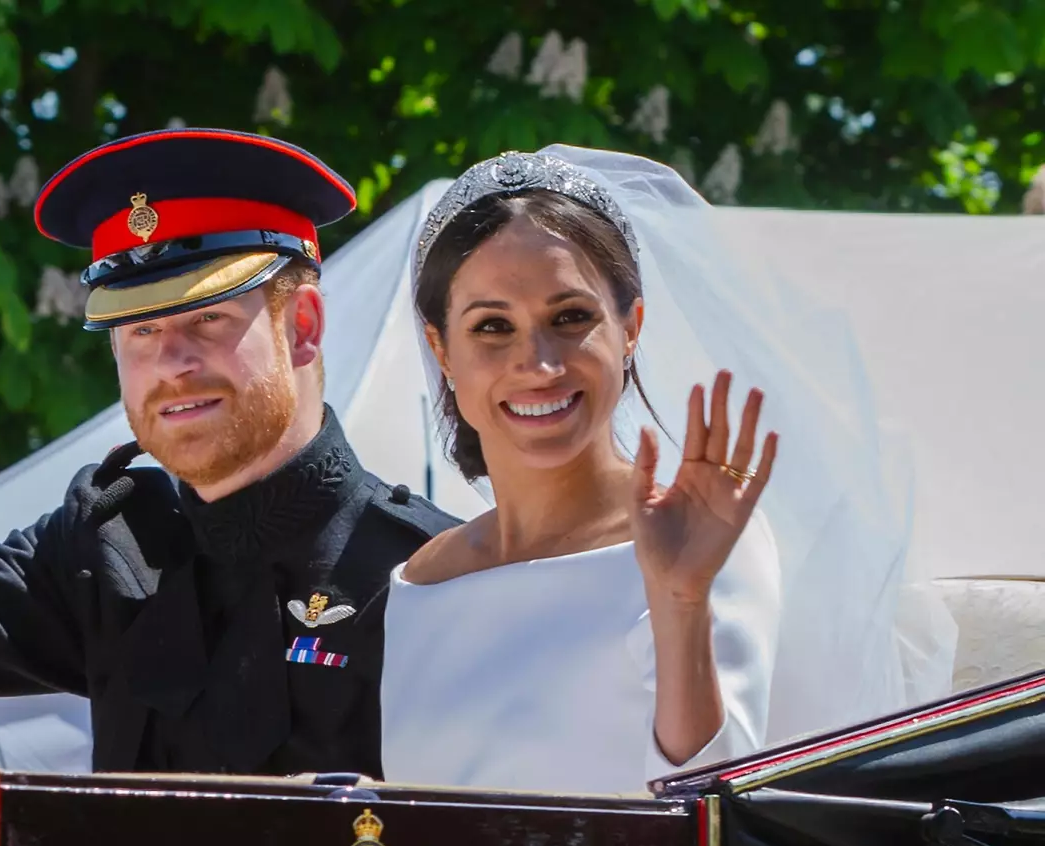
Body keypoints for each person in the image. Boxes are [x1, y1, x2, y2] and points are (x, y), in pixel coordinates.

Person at [0, 128, 457, 777]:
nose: (170, 361)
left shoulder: (426, 573)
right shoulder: (114, 545)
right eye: (138, 331)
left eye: (206, 318)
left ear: (302, 325)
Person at [378, 146, 957, 795]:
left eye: (570, 318)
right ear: (441, 350)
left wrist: (682, 601)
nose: (538, 363)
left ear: (631, 328)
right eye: (491, 326)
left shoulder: (698, 536)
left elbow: (714, 811)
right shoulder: (420, 581)